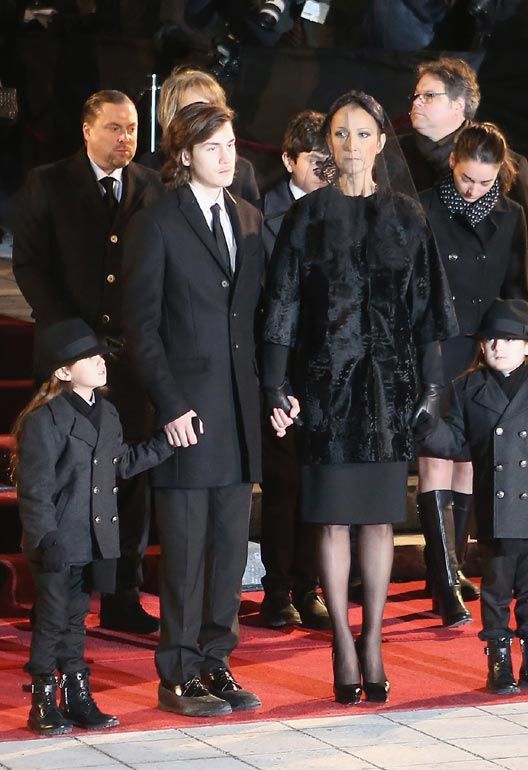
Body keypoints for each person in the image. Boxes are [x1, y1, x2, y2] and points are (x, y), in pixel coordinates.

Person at [263, 91, 458, 704]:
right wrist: (277, 384)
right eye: (340, 134)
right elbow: (282, 309)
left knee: (377, 519)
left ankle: (372, 641)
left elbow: (429, 310)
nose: (351, 145)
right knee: (330, 519)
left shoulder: (407, 215)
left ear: (380, 141)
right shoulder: (306, 217)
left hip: (388, 392)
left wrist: (430, 389)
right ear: (329, 144)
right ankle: (342, 649)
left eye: (362, 133)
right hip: (324, 391)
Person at [122, 102, 264, 717]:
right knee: (184, 550)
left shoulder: (252, 221)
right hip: (186, 418)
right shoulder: (157, 224)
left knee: (230, 548)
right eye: (213, 147)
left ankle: (216, 662)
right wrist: (170, 405)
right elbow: (141, 329)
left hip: (238, 415)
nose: (227, 156)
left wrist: (274, 395)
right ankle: (178, 670)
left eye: (231, 144)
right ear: (183, 154)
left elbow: (255, 324)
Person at [12, 89, 164, 634]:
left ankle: (123, 594)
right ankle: (54, 594)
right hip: (65, 355)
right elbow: (29, 265)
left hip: (130, 359)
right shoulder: (48, 182)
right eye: (115, 128)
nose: (127, 138)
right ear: (86, 129)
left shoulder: (151, 186)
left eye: (132, 128)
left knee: (128, 478)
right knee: (59, 476)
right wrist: (75, 342)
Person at [11, 318, 174, 735]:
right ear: (64, 371)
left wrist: (164, 444)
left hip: (94, 537)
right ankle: (44, 698)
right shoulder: (45, 420)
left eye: (100, 355)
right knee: (52, 619)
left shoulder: (108, 413)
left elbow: (118, 464)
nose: (100, 362)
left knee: (77, 617)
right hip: (58, 539)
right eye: (88, 357)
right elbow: (37, 489)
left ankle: (77, 693)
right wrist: (45, 538)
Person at [416, 298, 528, 695]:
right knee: (495, 590)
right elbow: (456, 442)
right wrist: (426, 427)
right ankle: (499, 662)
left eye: (508, 339)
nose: (497, 346)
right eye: (491, 339)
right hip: (495, 511)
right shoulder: (467, 388)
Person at [418, 121, 528, 627]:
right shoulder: (424, 207)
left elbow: (517, 289)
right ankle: (443, 580)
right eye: (467, 178)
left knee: (467, 461)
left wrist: (514, 349)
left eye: (485, 182)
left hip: (483, 352)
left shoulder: (511, 217)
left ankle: (454, 569)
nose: (474, 189)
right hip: (435, 347)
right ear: (452, 162)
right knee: (436, 458)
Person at [400, 56, 528, 327]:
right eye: (416, 94)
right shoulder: (393, 157)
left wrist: (527, 333)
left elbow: (526, 262)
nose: (416, 101)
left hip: (481, 328)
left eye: (429, 95)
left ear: (459, 105)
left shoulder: (509, 165)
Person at [259, 109, 331, 630]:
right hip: (281, 364)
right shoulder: (263, 212)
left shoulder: (341, 209)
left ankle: (310, 587)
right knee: (284, 483)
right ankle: (277, 590)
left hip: (327, 368)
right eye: (315, 159)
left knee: (318, 483)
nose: (326, 168)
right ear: (289, 159)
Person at [138, 64, 260, 205]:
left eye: (211, 108)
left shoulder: (242, 170)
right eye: (196, 111)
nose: (206, 118)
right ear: (172, 116)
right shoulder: (150, 168)